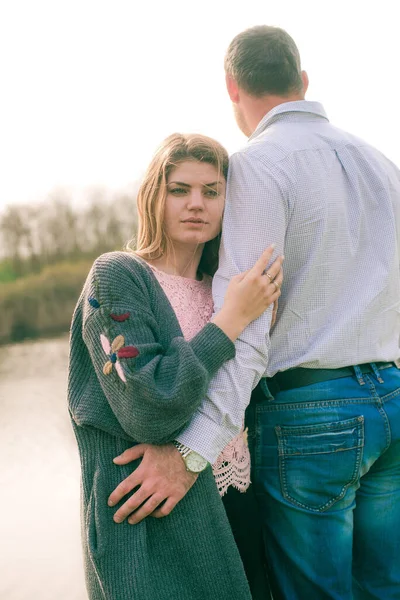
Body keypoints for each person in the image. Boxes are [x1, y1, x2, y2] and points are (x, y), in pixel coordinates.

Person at [111, 26, 400, 600]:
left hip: (311, 417)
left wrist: (191, 453)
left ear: (232, 87)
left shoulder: (260, 167)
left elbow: (247, 330)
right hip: (392, 401)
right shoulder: (382, 165)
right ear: (304, 81)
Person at [67, 132, 282, 600]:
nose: (196, 204)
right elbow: (148, 408)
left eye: (212, 191)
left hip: (237, 496)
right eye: (179, 189)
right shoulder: (117, 276)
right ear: (154, 196)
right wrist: (229, 322)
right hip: (157, 519)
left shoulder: (228, 286)